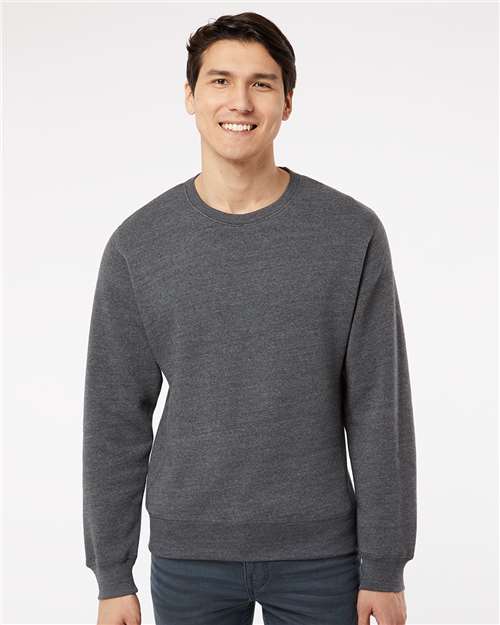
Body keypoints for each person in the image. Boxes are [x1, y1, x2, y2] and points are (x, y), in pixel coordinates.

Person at [82, 11, 417, 625]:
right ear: (190, 95)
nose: (240, 101)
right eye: (220, 81)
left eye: (262, 83)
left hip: (323, 556)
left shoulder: (350, 233)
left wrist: (384, 566)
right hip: (188, 555)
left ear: (287, 102)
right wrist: (112, 576)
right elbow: (114, 420)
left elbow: (378, 409)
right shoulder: (139, 244)